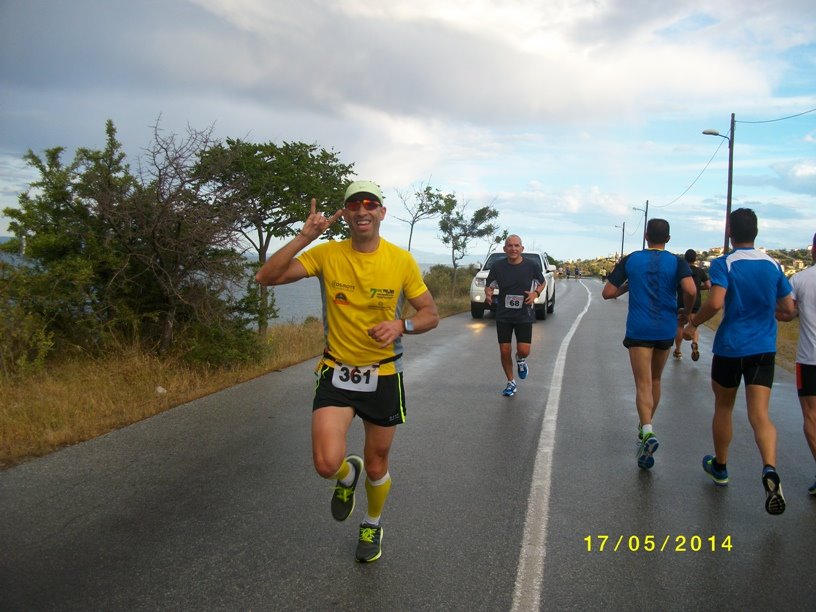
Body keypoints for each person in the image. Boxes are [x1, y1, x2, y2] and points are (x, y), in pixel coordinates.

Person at [255, 180, 439, 562]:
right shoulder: (327, 254)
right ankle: (345, 476)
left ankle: (372, 523)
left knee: (376, 463)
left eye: (370, 204)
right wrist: (305, 237)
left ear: (382, 213)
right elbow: (266, 277)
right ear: (346, 214)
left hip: (383, 374)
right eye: (354, 205)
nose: (362, 211)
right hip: (336, 371)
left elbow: (430, 314)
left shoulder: (401, 261)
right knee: (326, 464)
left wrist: (401, 325)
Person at [684, 208, 794, 515]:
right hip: (763, 349)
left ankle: (720, 467)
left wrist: (693, 323)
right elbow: (788, 308)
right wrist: (771, 314)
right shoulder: (773, 264)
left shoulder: (725, 263)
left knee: (724, 407)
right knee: (760, 415)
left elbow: (716, 301)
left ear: (730, 231)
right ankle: (769, 468)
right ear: (756, 231)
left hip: (731, 347)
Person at [603, 218, 696, 469]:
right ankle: (645, 429)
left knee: (642, 383)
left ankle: (646, 431)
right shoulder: (677, 262)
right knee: (655, 380)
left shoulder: (632, 260)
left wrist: (629, 286)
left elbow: (608, 292)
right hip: (665, 328)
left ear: (646, 236)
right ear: (668, 238)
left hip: (640, 328)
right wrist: (686, 313)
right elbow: (691, 290)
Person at [776, 231, 816, 495]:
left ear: (813, 250)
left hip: (810, 359)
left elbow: (787, 312)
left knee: (811, 417)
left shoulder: (800, 279)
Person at [484, 234, 547, 397]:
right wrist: (488, 293)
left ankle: (520, 359)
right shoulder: (498, 266)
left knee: (524, 350)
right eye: (510, 245)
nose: (513, 249)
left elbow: (542, 282)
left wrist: (535, 293)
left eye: (516, 245)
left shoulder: (531, 266)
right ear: (505, 249)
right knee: (504, 350)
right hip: (504, 314)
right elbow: (489, 285)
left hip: (524, 313)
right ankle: (511, 382)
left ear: (522, 248)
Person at [673, 249, 711, 361]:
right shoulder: (700, 271)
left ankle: (678, 350)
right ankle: (694, 342)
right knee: (694, 323)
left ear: (685, 258)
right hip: (696, 301)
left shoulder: (681, 270)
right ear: (695, 259)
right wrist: (698, 287)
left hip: (682, 301)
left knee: (680, 325)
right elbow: (708, 285)